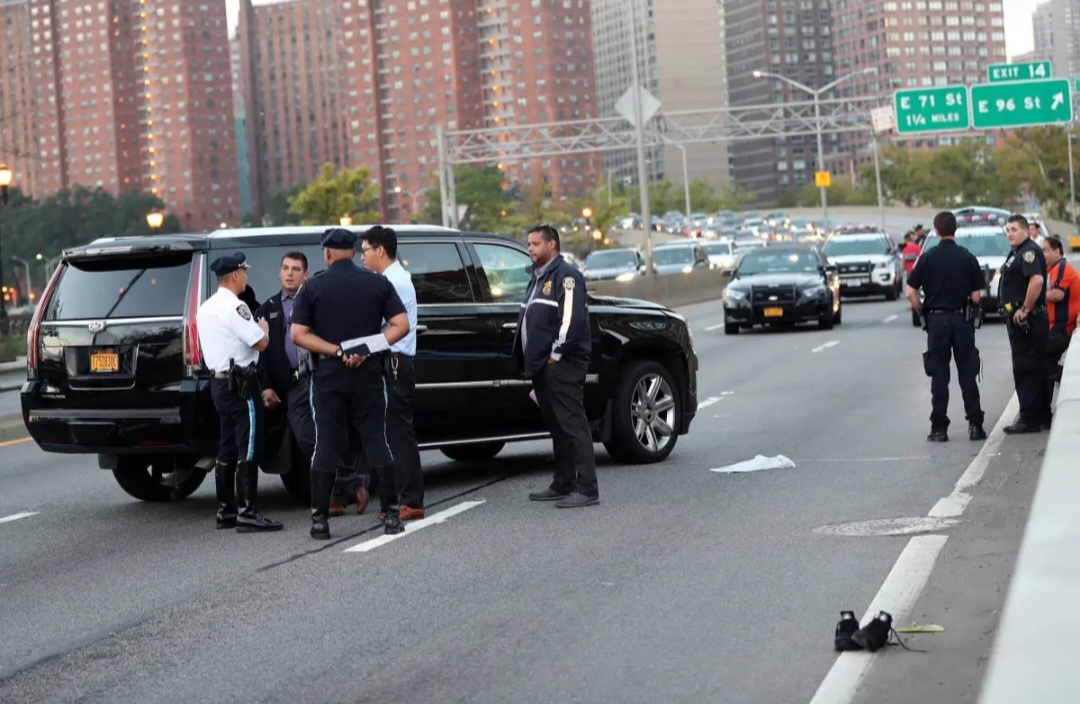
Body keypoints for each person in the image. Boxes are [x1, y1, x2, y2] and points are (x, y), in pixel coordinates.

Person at [290, 227, 411, 539]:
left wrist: (337, 349)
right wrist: (366, 348)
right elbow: (401, 325)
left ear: (327, 253)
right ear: (356, 252)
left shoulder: (312, 286)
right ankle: (393, 516)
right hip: (368, 373)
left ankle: (320, 522)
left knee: (326, 442)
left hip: (329, 375)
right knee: (376, 439)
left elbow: (298, 334)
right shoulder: (377, 282)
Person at [195, 252, 284, 533]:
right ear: (235, 275)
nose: (246, 276)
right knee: (249, 445)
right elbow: (260, 343)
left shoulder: (206, 307)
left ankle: (226, 510)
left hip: (219, 383)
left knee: (227, 445)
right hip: (242, 384)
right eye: (244, 271)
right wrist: (264, 328)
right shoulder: (237, 307)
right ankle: (248, 511)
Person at [513, 224, 599, 508]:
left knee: (573, 424)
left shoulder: (566, 276)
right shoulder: (537, 277)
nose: (530, 249)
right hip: (541, 367)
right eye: (528, 244)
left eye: (535, 244)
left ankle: (587, 489)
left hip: (562, 364)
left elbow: (570, 321)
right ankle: (563, 482)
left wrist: (555, 356)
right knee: (557, 425)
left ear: (552, 245)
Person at [348, 225, 426, 522]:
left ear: (380, 250)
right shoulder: (386, 279)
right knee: (387, 433)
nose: (362, 257)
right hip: (387, 362)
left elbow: (385, 329)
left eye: (365, 251)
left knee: (398, 434)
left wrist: (360, 350)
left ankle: (411, 500)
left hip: (395, 362)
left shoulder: (394, 283)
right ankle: (394, 498)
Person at [905, 211, 987, 442]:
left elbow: (910, 292)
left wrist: (922, 310)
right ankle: (975, 425)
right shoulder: (967, 257)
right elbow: (977, 296)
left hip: (937, 322)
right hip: (962, 320)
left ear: (936, 231)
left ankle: (939, 428)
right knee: (967, 373)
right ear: (955, 230)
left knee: (939, 376)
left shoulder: (928, 257)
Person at [998, 213, 1049, 434]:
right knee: (1032, 366)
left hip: (1029, 319)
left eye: (1014, 229)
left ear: (1026, 231)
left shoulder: (1028, 252)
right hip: (1023, 319)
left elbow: (1036, 281)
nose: (1010, 233)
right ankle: (1039, 415)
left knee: (1026, 368)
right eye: (1008, 230)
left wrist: (1025, 309)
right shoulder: (1017, 252)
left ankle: (1029, 418)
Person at [1041, 235, 1079, 424]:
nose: (1043, 254)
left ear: (1057, 251)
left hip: (1061, 329)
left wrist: (1034, 293)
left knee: (1040, 363)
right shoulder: (1052, 269)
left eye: (1045, 250)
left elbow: (1056, 295)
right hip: (1053, 328)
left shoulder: (1063, 268)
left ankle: (1068, 382)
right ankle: (1044, 415)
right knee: (1043, 367)